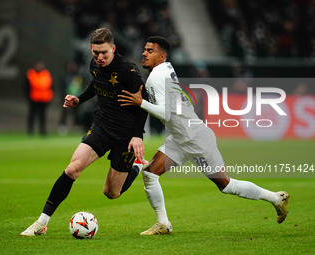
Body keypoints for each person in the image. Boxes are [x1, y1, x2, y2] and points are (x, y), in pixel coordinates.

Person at [118, 36, 290, 235]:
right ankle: (163, 224)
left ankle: (277, 198)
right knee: (150, 174)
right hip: (180, 137)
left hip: (194, 139)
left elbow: (165, 113)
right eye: (145, 49)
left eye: (150, 50)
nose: (144, 53)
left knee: (226, 185)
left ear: (162, 55)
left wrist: (141, 103)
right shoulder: (164, 70)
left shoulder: (157, 76)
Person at [21, 28, 148, 236]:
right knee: (72, 169)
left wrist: (137, 136)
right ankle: (42, 223)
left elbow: (145, 102)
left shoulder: (128, 71)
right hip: (102, 126)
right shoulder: (94, 65)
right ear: (91, 49)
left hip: (125, 136)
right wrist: (79, 99)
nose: (99, 57)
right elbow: (95, 85)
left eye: (104, 53)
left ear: (113, 48)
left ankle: (136, 167)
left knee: (111, 193)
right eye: (96, 52)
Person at [24, 60, 53, 135]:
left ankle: (42, 131)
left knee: (42, 116)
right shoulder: (31, 74)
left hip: (44, 99)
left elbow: (51, 86)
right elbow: (25, 87)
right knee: (32, 115)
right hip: (34, 99)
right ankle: (30, 130)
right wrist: (28, 97)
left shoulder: (46, 74)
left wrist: (50, 97)